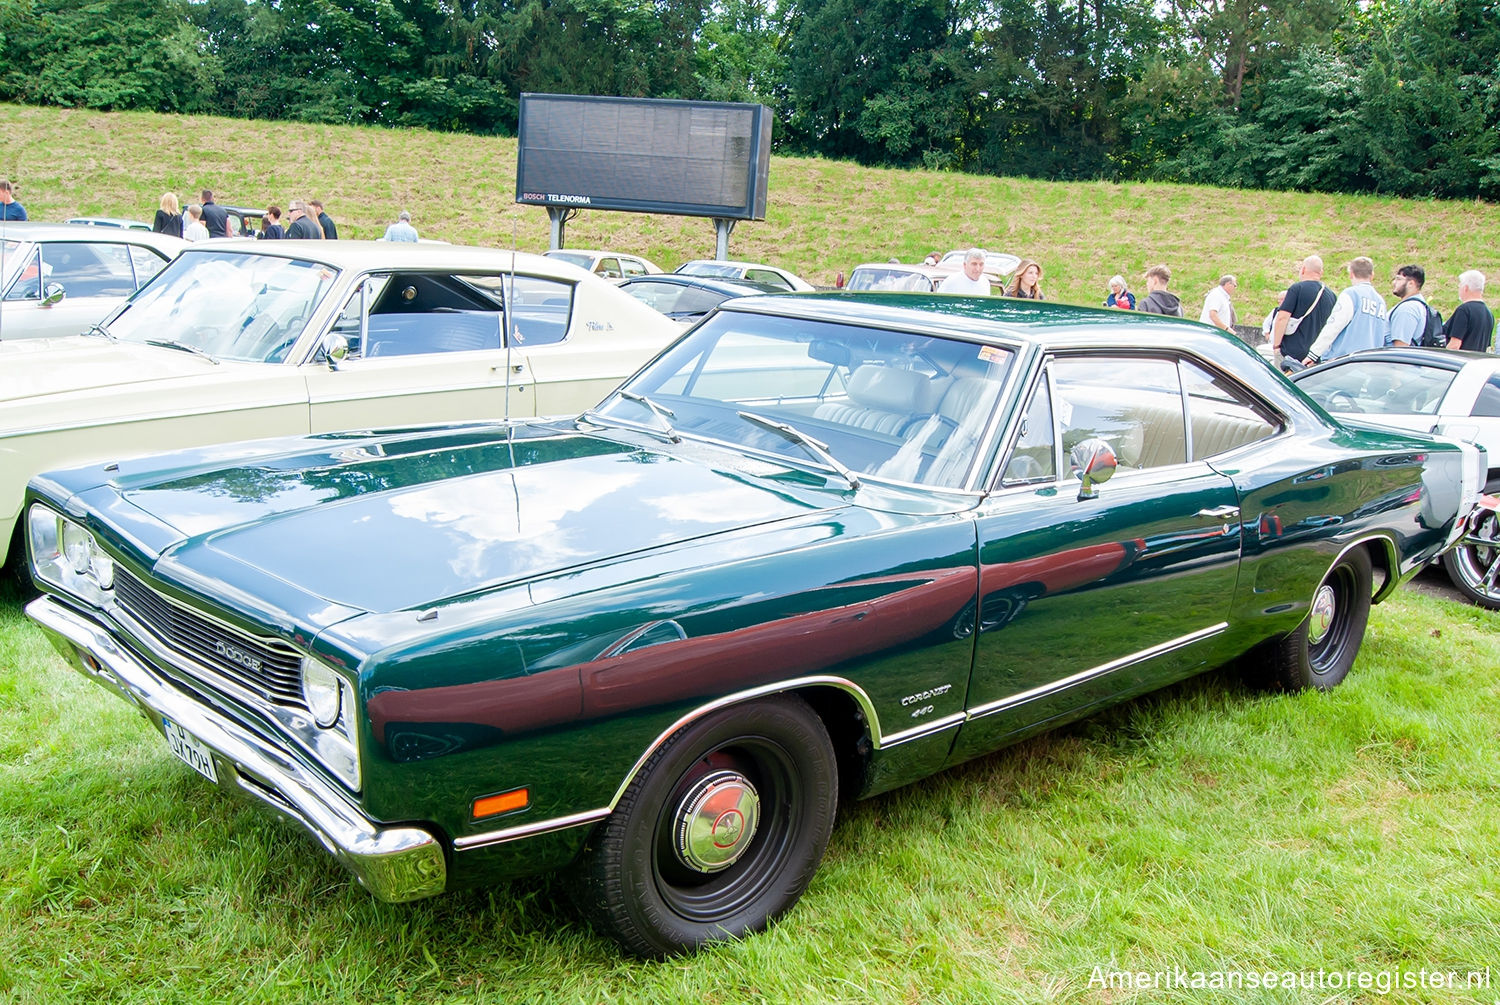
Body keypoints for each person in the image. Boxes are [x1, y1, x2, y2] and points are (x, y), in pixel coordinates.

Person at [1303, 257, 1388, 364]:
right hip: (1371, 362)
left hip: (1346, 362)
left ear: (1351, 273)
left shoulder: (1351, 294)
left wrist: (1314, 354)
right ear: (1372, 275)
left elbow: (1334, 325)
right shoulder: (1381, 302)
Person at [1270, 256, 1335, 367]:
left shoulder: (1297, 289)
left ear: (1303, 269)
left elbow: (1282, 318)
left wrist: (1276, 346)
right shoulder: (1331, 295)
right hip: (1316, 356)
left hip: (1291, 353)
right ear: (1321, 272)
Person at [1388, 264, 1439, 347]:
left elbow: (1400, 347)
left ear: (1411, 284)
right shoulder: (1420, 306)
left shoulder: (1408, 309)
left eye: (1399, 279)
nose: (1394, 282)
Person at [1444, 270, 1494, 353]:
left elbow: (1455, 345)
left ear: (1465, 288)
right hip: (1475, 362)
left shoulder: (1464, 311)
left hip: (1460, 362)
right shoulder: (1489, 314)